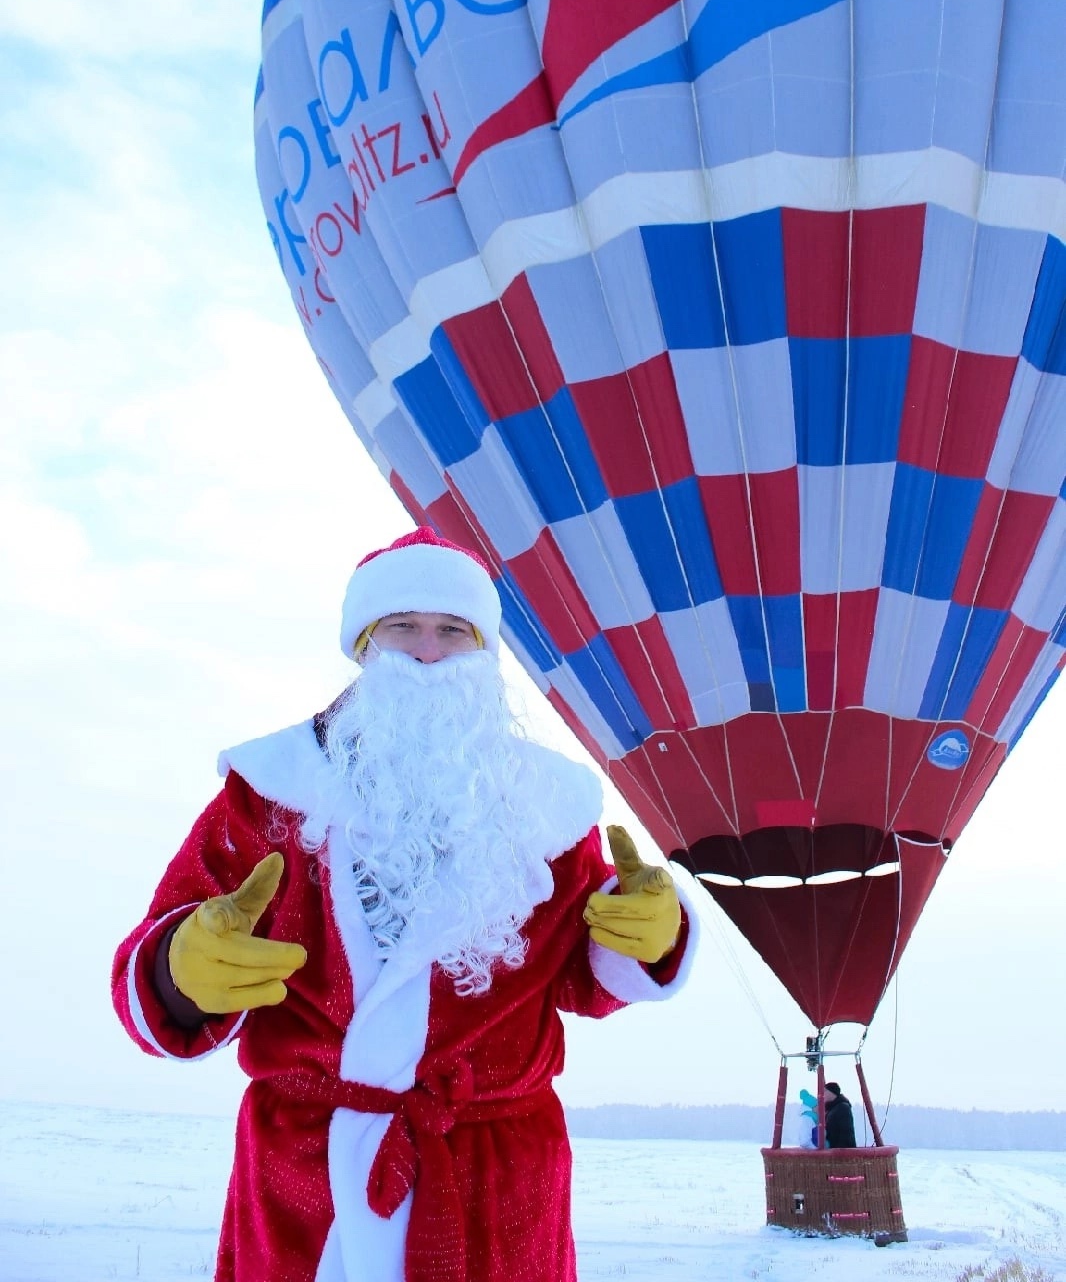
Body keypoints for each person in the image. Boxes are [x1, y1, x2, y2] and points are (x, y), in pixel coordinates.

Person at [113, 526, 697, 1282]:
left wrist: (648, 933)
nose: (428, 651)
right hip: (306, 1175)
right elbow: (151, 958)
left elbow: (584, 972)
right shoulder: (267, 793)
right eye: (403, 627)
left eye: (452, 629)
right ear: (364, 644)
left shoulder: (547, 807)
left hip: (496, 1178)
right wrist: (176, 972)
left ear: (484, 650)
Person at [824, 1081, 857, 1149]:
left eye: (825, 1091)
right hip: (833, 1149)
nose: (823, 1094)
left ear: (831, 1092)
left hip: (842, 1151)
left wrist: (840, 1150)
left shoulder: (843, 1107)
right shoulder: (830, 1109)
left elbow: (846, 1131)